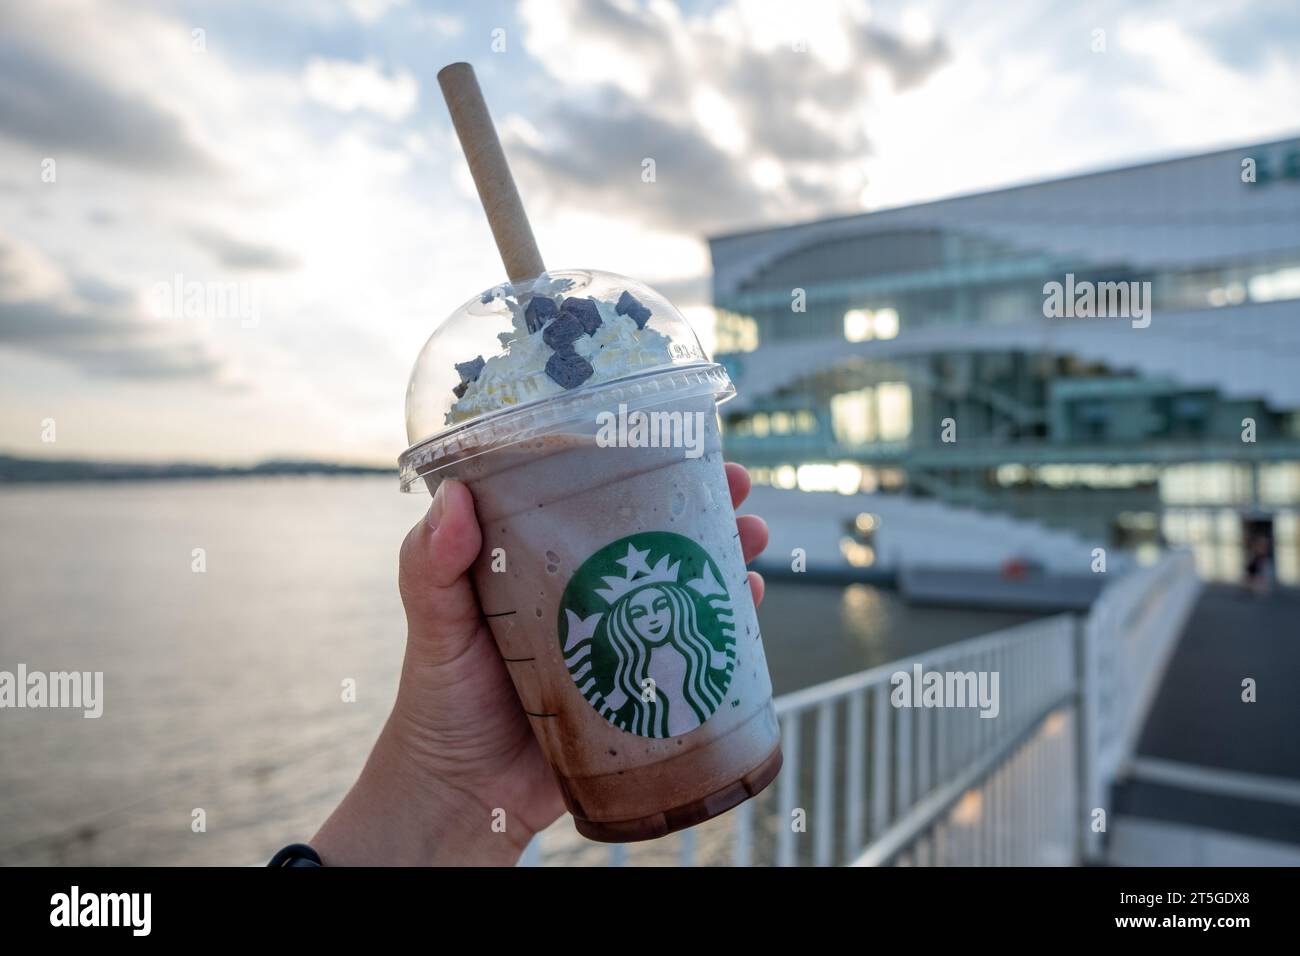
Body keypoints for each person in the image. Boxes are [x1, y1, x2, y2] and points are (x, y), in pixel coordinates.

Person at [294, 463, 769, 867]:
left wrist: (455, 794)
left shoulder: (694, 663)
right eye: (637, 612)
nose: (652, 620)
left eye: (660, 606)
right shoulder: (629, 676)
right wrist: (450, 786)